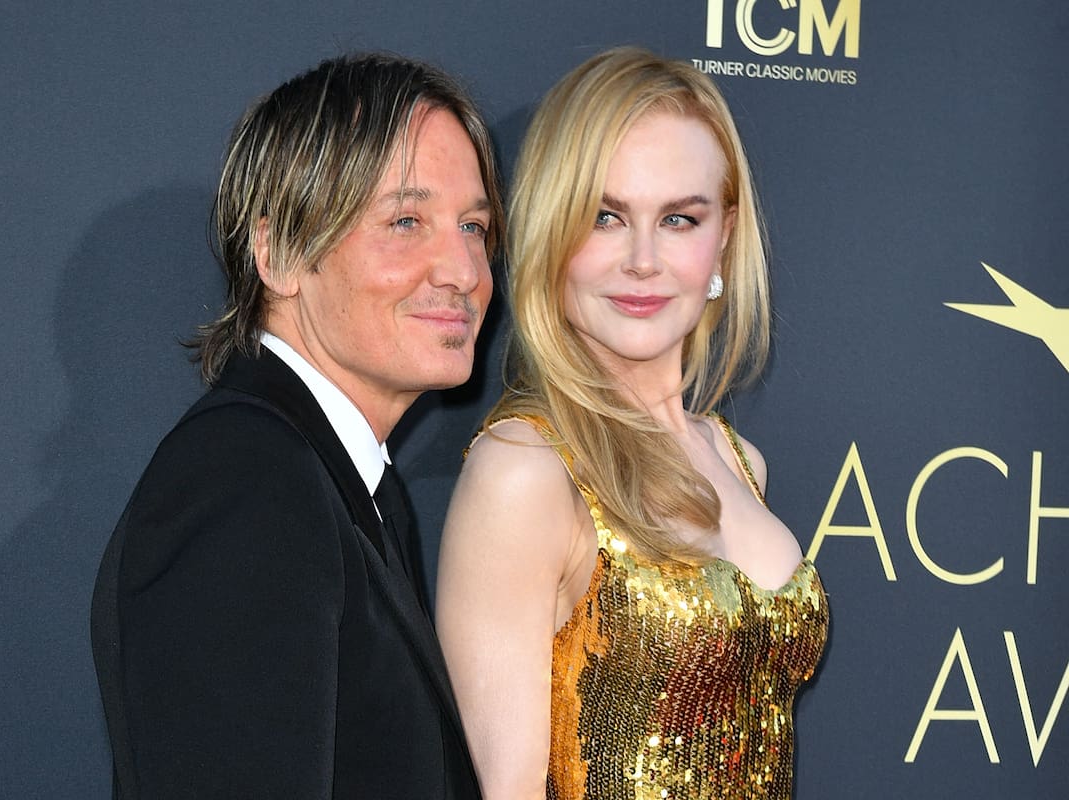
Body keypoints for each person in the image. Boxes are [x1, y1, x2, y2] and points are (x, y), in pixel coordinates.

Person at [90, 52, 503, 799]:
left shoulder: (343, 485)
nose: (463, 270)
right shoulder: (248, 481)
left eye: (473, 226)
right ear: (278, 253)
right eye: (406, 221)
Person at [436, 47, 828, 800]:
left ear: (724, 236)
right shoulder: (526, 470)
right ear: (551, 230)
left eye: (679, 219)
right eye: (605, 217)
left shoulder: (739, 460)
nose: (643, 260)